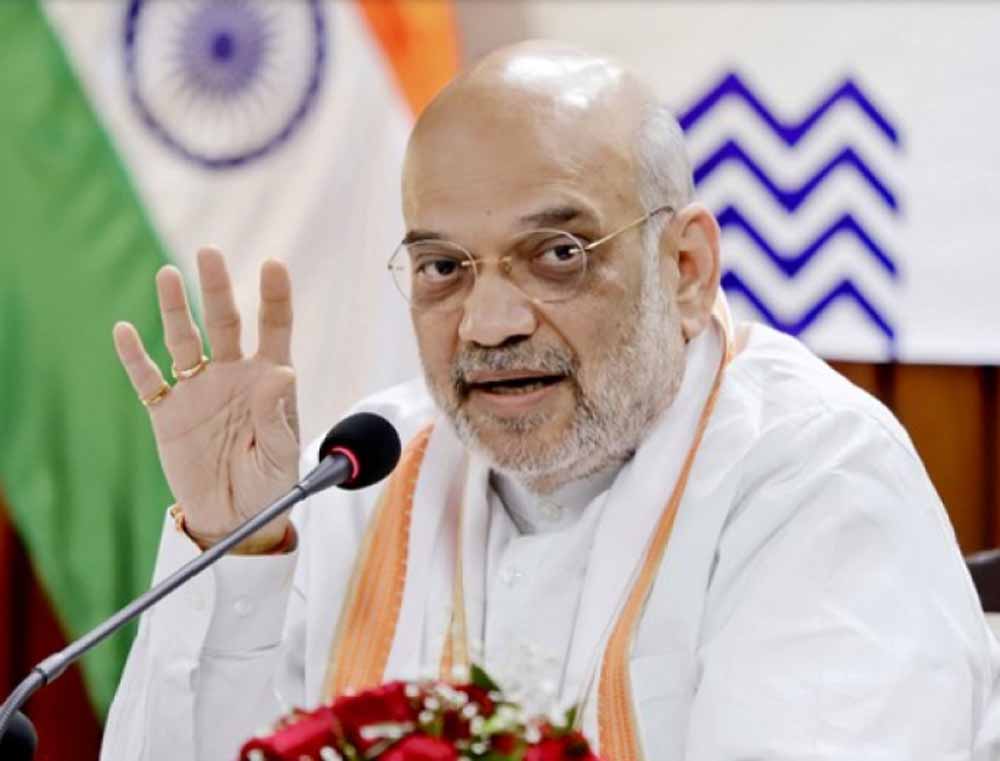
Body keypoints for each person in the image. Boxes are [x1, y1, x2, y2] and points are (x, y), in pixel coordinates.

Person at [100, 42, 999, 760]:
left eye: (559, 254)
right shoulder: (354, 480)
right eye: (442, 267)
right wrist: (238, 548)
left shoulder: (817, 480)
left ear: (686, 269)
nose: (489, 323)